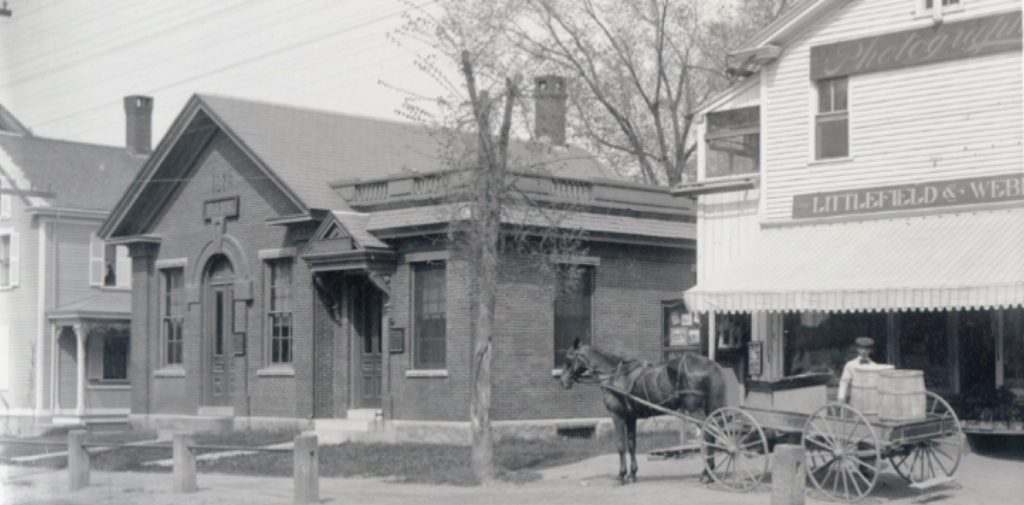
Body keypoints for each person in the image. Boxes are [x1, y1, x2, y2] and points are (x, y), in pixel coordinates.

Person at [837, 336, 875, 404]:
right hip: (855, 398)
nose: (863, 351)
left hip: (870, 399)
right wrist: (841, 397)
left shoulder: (874, 366)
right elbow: (844, 382)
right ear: (857, 349)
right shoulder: (850, 365)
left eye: (866, 349)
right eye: (861, 349)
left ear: (870, 350)